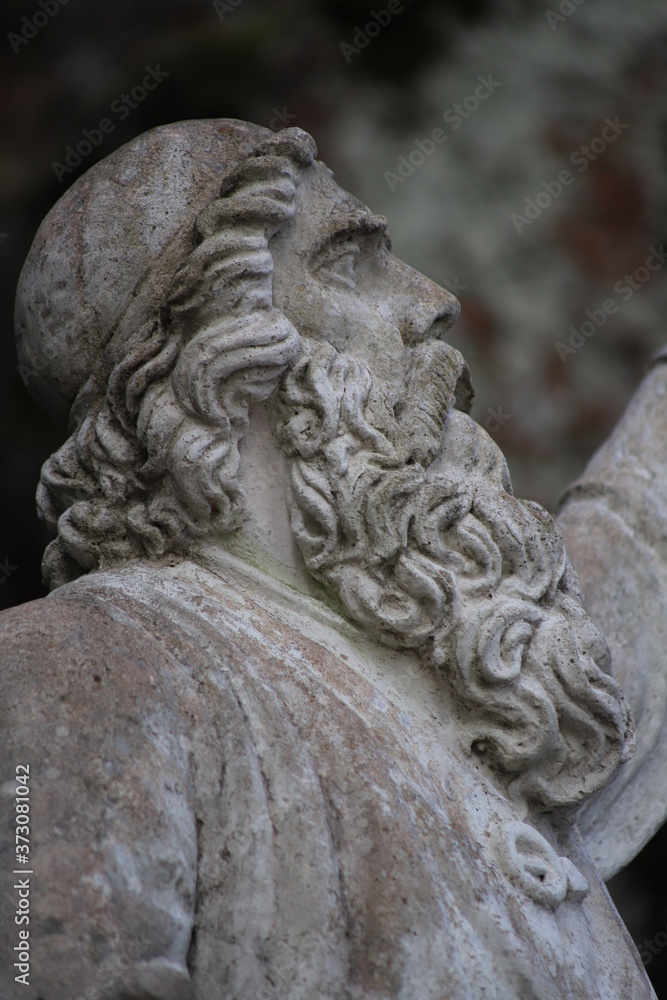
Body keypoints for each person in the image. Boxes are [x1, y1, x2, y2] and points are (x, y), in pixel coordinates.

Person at [0, 119, 658, 998]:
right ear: (222, 349)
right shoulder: (81, 666)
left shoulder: (498, 696)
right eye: (350, 260)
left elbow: (633, 560)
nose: (433, 300)